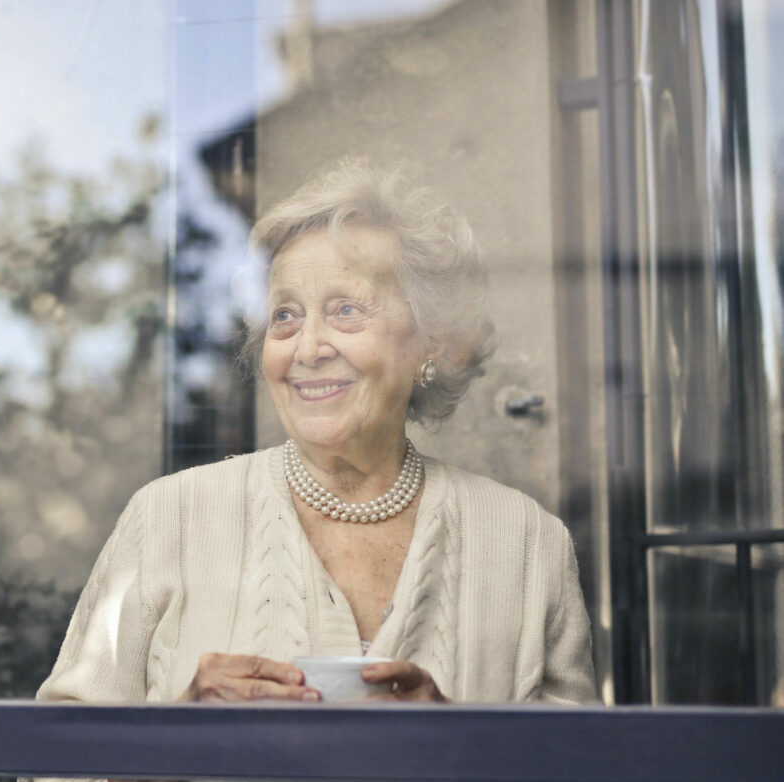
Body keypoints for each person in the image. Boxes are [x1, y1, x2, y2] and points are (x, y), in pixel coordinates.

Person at [36, 159, 597, 704]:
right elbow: (58, 767)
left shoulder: (526, 545)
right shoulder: (167, 520)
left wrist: (451, 746)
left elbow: (583, 772)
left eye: (346, 309)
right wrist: (182, 737)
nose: (307, 349)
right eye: (285, 315)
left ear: (434, 342)